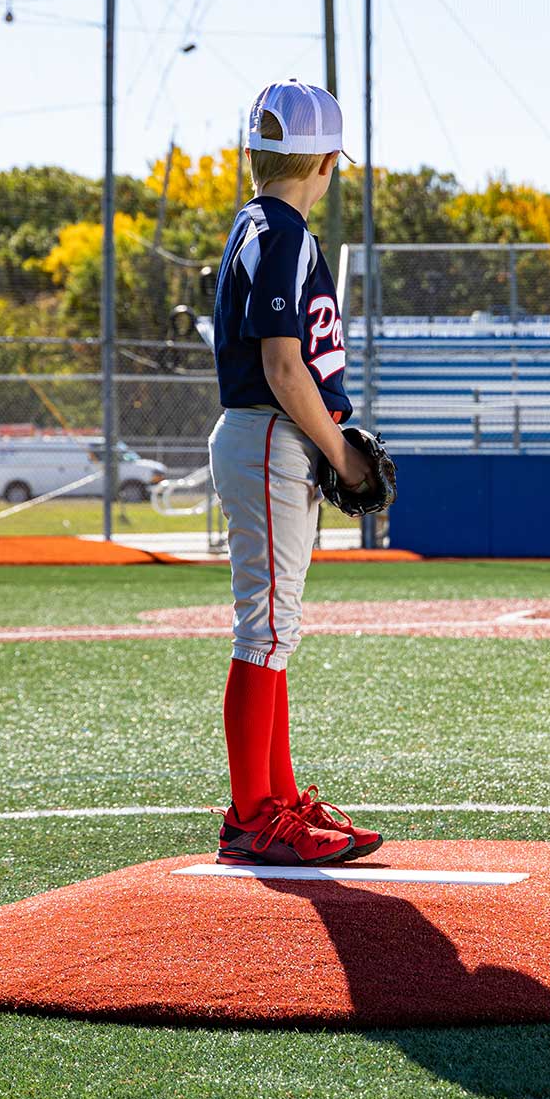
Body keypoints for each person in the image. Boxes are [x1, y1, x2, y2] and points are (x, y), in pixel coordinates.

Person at [207, 79, 384, 867]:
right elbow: (284, 364)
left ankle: (274, 802)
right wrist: (339, 450)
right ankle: (255, 816)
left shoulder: (257, 224)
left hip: (268, 436)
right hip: (273, 432)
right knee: (267, 628)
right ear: (326, 162)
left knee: (275, 629)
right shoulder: (283, 233)